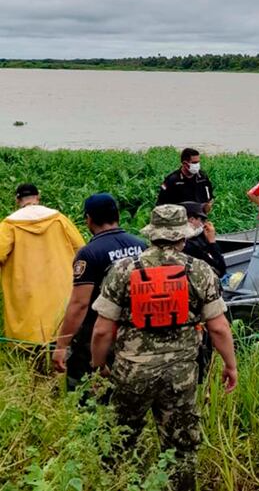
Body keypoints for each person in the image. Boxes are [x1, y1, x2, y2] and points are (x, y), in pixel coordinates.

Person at [90, 204, 237, 490]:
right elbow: (218, 327)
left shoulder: (124, 270)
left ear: (152, 233)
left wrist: (98, 366)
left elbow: (102, 330)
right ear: (183, 236)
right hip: (180, 375)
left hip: (132, 372)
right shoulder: (199, 270)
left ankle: (118, 485)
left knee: (119, 440)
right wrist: (230, 365)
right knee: (181, 449)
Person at [53, 194, 147, 391]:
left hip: (97, 336)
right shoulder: (140, 245)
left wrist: (62, 345)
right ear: (117, 216)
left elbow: (79, 304)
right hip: (136, 332)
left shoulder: (89, 253)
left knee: (85, 392)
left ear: (89, 219)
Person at [0, 184, 85, 345]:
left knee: (28, 338)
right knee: (59, 330)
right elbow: (81, 248)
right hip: (60, 286)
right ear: (38, 197)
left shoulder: (9, 225)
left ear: (17, 200)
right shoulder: (59, 219)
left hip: (25, 292)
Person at [156, 147, 215, 213]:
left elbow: (210, 198)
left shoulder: (202, 177)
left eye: (198, 162)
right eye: (194, 163)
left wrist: (208, 206)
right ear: (185, 164)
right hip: (179, 217)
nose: (197, 165)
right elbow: (161, 205)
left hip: (199, 216)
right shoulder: (172, 180)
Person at [181, 201, 226, 277]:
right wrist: (212, 242)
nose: (203, 224)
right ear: (192, 220)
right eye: (201, 220)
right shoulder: (191, 245)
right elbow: (220, 270)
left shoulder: (173, 240)